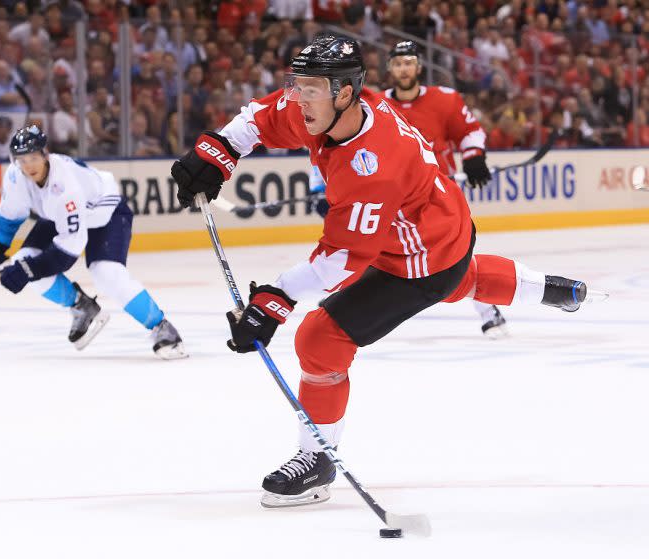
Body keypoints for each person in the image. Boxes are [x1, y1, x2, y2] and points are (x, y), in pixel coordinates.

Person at [171, 35, 596, 508]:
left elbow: (339, 260)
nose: (298, 98)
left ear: (345, 93)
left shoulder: (372, 165)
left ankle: (318, 459)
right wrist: (215, 152)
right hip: (434, 227)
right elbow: (259, 118)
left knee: (320, 339)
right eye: (299, 86)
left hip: (422, 257)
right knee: (463, 280)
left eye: (309, 89)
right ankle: (553, 290)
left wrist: (275, 300)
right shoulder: (330, 107)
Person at [0, 125, 187, 359]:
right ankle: (81, 306)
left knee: (105, 272)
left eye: (33, 157)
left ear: (45, 154)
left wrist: (27, 271)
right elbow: (9, 217)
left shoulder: (65, 184)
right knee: (23, 259)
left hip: (105, 213)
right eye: (22, 160)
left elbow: (68, 251)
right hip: (59, 215)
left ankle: (162, 328)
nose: (28, 165)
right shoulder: (16, 175)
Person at [381, 40, 510, 336]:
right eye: (398, 63)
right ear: (390, 68)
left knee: (453, 254)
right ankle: (349, 299)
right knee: (372, 246)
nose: (403, 68)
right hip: (392, 198)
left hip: (438, 196)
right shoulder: (376, 104)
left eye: (409, 62)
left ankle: (488, 308)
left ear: (419, 66)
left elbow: (470, 132)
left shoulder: (445, 100)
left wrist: (474, 157)